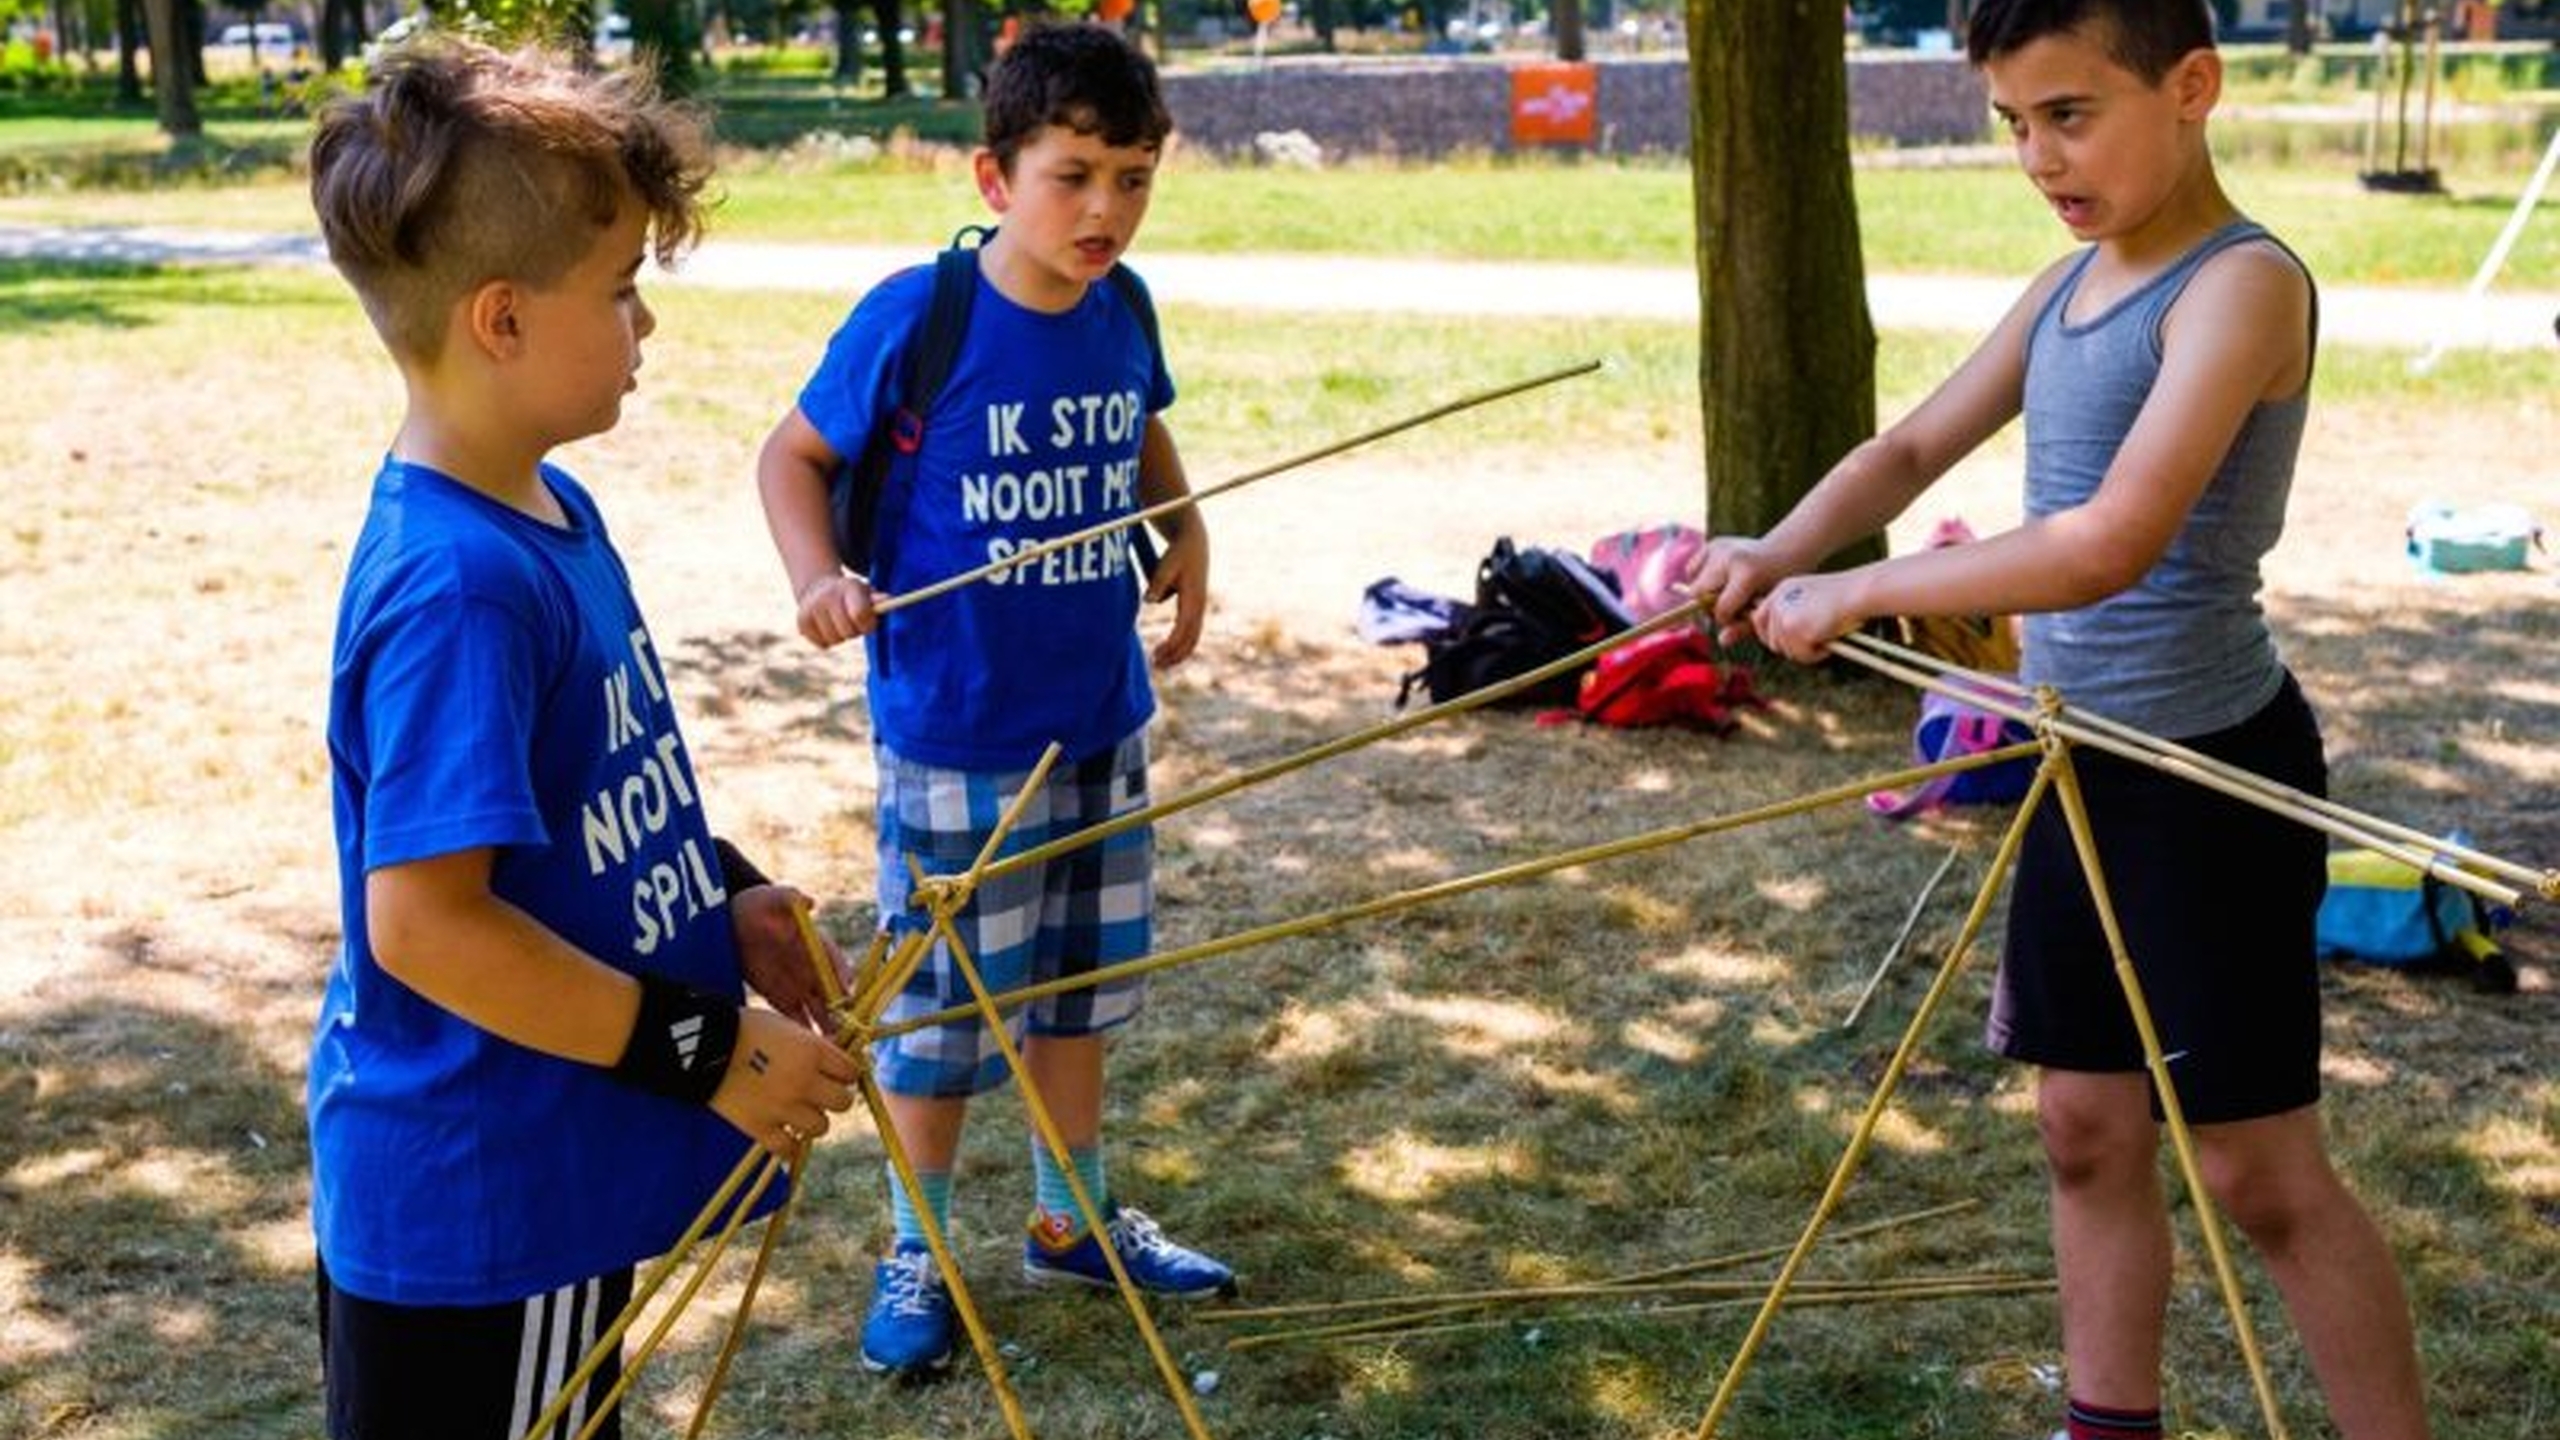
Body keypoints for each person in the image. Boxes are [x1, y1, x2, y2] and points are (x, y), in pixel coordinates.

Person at [1690, 4, 2431, 1439]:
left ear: (2194, 87)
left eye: (2071, 114)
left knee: (2257, 1172)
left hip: (2210, 778)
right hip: (2078, 764)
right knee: (2083, 1130)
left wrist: (1867, 592)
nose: (2039, 154)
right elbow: (1910, 446)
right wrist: (1781, 548)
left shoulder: (2243, 287)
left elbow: (2111, 540)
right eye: (2014, 123)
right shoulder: (2068, 284)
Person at [305, 36, 860, 1439]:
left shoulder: (547, 512)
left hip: (539, 1178)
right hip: (483, 1211)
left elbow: (589, 795)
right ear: (500, 318)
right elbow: (428, 926)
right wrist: (708, 1049)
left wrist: (722, 894)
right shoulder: (458, 586)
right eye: (618, 292)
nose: (643, 326)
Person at [755, 21, 1230, 1381]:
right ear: (992, 177)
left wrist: (1186, 531)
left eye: (1134, 177)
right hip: (958, 736)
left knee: (1077, 989)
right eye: (1073, 175)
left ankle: (1070, 1219)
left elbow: (1140, 422)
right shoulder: (923, 316)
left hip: (1096, 717)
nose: (1106, 210)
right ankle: (919, 1246)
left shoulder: (1124, 309)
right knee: (944, 1013)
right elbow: (791, 459)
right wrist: (818, 576)